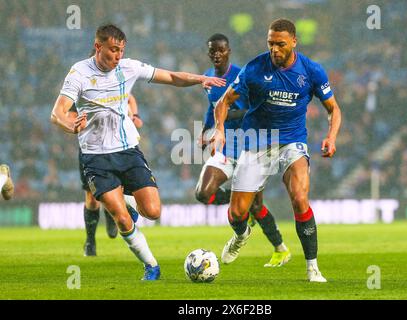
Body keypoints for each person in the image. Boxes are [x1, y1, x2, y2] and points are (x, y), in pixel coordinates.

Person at [51, 24, 225, 281]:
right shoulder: (79, 73)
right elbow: (57, 113)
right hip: (96, 157)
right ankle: (151, 266)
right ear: (98, 47)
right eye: (112, 50)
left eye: (121, 50)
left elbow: (171, 77)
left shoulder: (128, 67)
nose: (117, 55)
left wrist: (201, 79)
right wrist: (70, 125)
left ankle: (127, 207)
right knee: (121, 218)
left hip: (128, 151)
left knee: (153, 212)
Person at [210, 19, 342, 282]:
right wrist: (220, 129)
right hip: (257, 142)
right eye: (271, 43)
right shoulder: (254, 69)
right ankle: (241, 234)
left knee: (299, 197)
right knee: (237, 214)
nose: (275, 49)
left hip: (292, 141)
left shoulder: (312, 71)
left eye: (280, 44)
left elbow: (333, 109)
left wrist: (331, 136)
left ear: (294, 41)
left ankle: (312, 267)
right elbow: (223, 103)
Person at [195, 33, 291, 267]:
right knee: (203, 193)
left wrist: (225, 116)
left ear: (229, 51)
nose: (216, 54)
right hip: (226, 146)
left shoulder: (242, 75)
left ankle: (280, 249)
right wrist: (207, 129)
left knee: (256, 207)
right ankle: (243, 228)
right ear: (208, 53)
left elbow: (254, 110)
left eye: (221, 50)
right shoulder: (208, 77)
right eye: (212, 50)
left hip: (252, 146)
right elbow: (213, 107)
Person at [67, 93, 143, 257]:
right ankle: (90, 241)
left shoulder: (114, 84)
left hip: (117, 148)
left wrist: (135, 115)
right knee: (92, 198)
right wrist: (76, 123)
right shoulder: (83, 89)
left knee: (117, 188)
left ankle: (111, 213)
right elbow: (70, 113)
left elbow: (130, 98)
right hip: (91, 150)